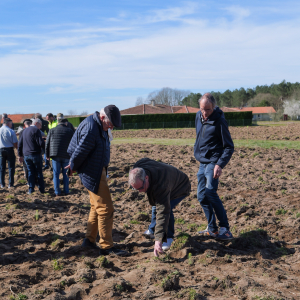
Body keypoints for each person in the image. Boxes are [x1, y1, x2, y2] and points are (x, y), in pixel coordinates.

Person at [66, 105, 128, 256]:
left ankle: (89, 240)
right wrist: (72, 166)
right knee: (106, 208)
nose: (112, 127)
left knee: (96, 207)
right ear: (102, 118)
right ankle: (107, 246)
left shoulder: (98, 125)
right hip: (92, 172)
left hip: (96, 169)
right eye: (110, 124)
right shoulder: (91, 128)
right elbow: (81, 150)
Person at [128, 158, 191, 256]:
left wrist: (158, 240)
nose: (140, 191)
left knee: (166, 209)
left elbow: (163, 212)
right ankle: (152, 229)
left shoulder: (161, 185)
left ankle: (168, 238)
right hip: (165, 179)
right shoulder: (139, 166)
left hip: (180, 187)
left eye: (140, 188)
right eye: (136, 189)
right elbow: (145, 159)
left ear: (146, 178)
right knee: (155, 205)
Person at [194, 93, 234, 240]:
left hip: (213, 162)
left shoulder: (220, 121)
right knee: (201, 196)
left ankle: (225, 228)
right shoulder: (198, 116)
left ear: (214, 107)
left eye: (208, 110)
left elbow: (229, 147)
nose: (205, 113)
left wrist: (219, 164)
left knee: (210, 192)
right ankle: (212, 229)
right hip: (202, 162)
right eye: (202, 109)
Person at [45, 118, 74, 196]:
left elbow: (47, 143)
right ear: (66, 123)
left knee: (56, 174)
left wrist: (47, 155)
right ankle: (66, 190)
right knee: (66, 174)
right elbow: (74, 144)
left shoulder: (51, 130)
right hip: (66, 155)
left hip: (55, 155)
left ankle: (57, 192)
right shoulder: (70, 131)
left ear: (58, 123)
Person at [18, 119, 45, 194]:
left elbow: (20, 144)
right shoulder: (36, 130)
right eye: (40, 125)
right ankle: (41, 189)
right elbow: (40, 142)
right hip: (35, 154)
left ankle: (31, 189)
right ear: (36, 123)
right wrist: (46, 148)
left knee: (30, 172)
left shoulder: (24, 131)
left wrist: (20, 155)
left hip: (26, 155)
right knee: (39, 172)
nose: (41, 127)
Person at [0, 118, 18, 188]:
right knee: (11, 167)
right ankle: (10, 183)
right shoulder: (11, 131)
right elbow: (15, 143)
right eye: (11, 123)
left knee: (2, 168)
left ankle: (2, 183)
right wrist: (17, 149)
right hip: (9, 149)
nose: (11, 125)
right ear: (8, 123)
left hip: (1, 150)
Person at [18, 119, 33, 184]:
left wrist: (20, 154)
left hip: (25, 152)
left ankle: (29, 181)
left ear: (24, 124)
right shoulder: (34, 131)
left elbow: (20, 144)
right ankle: (34, 180)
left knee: (27, 166)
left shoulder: (22, 132)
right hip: (34, 151)